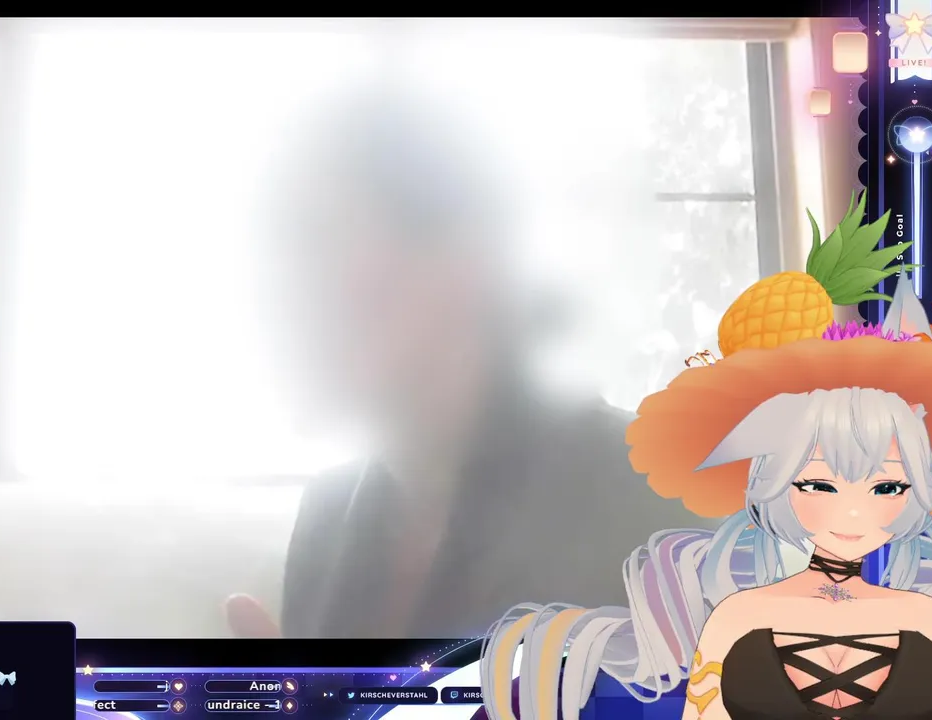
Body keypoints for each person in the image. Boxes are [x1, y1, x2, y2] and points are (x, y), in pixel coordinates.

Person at [225, 91, 716, 639]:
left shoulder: (662, 507)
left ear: (468, 256)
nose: (267, 293)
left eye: (308, 238)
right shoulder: (326, 519)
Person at [478, 328, 932, 720]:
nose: (853, 513)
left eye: (886, 488)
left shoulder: (931, 620)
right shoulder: (737, 617)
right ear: (779, 485)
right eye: (820, 486)